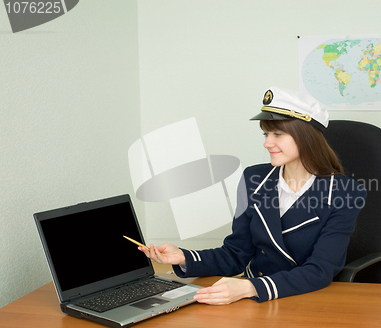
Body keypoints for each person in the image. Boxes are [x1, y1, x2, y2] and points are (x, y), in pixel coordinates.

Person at [139, 86, 366, 305]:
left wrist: (250, 288)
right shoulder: (253, 178)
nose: (267, 143)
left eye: (278, 134)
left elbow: (320, 270)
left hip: (307, 297)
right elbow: (236, 253)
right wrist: (184, 257)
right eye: (266, 133)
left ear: (306, 137)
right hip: (254, 299)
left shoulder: (345, 192)